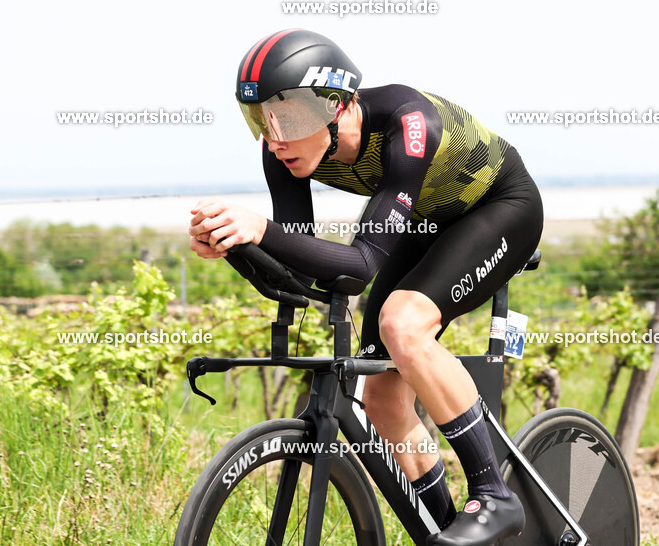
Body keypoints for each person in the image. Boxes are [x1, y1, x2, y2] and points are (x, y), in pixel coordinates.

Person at [188, 29, 543, 545]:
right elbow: (305, 276)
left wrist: (262, 229)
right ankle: (442, 533)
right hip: (424, 221)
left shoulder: (409, 125)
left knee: (403, 323)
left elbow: (358, 266)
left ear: (337, 105)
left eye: (285, 116)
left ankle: (493, 494)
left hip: (500, 209)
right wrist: (238, 247)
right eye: (260, 119)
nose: (275, 136)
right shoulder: (284, 153)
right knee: (380, 396)